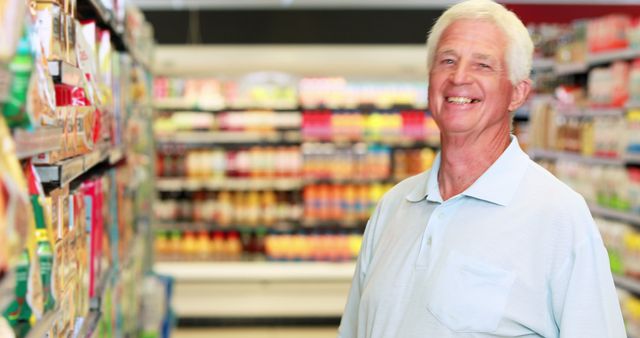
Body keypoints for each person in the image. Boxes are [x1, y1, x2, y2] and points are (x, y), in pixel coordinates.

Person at [338, 0, 626, 337]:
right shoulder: (394, 207)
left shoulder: (558, 216)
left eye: (483, 65)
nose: (459, 77)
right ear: (430, 80)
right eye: (448, 60)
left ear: (517, 94)